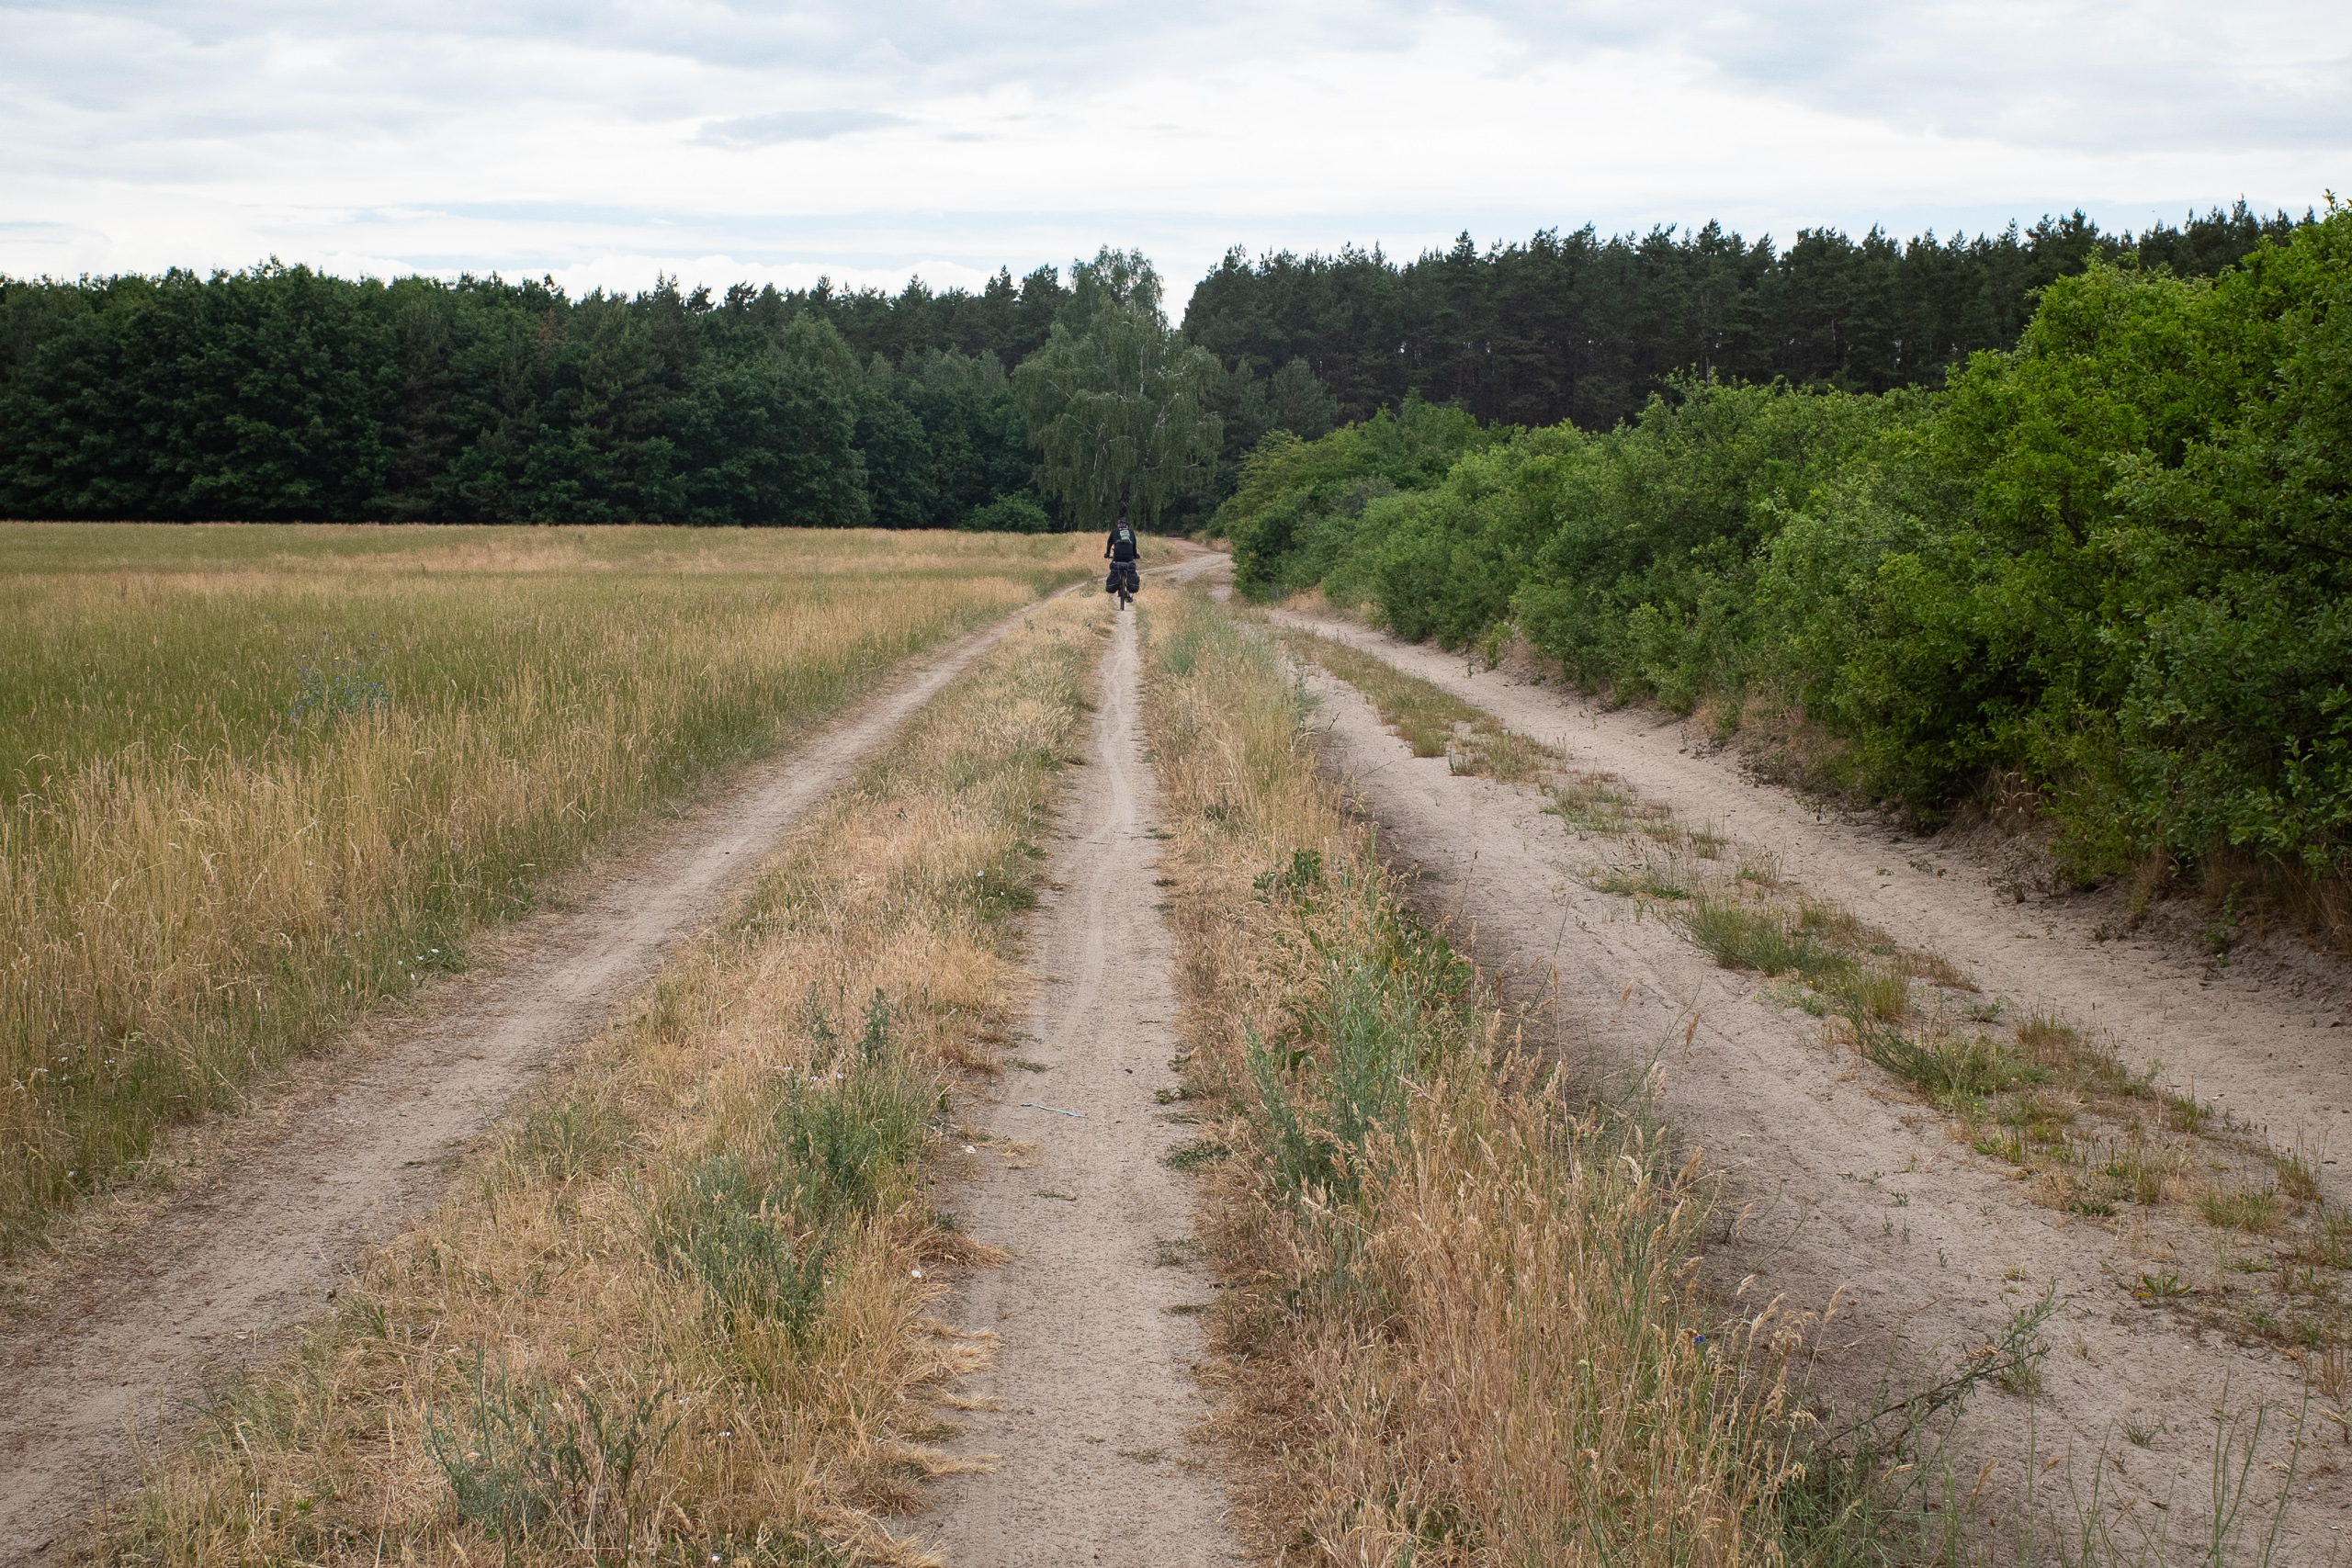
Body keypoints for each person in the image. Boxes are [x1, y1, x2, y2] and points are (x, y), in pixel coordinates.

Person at [1103, 507, 1140, 604]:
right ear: (1127, 526)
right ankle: (1131, 595)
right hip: (1129, 557)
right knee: (1131, 573)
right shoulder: (1131, 532)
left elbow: (1109, 543)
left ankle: (1117, 584)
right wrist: (1135, 555)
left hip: (1117, 556)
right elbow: (1134, 545)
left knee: (1115, 568)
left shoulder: (1115, 531)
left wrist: (1107, 553)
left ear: (1118, 525)